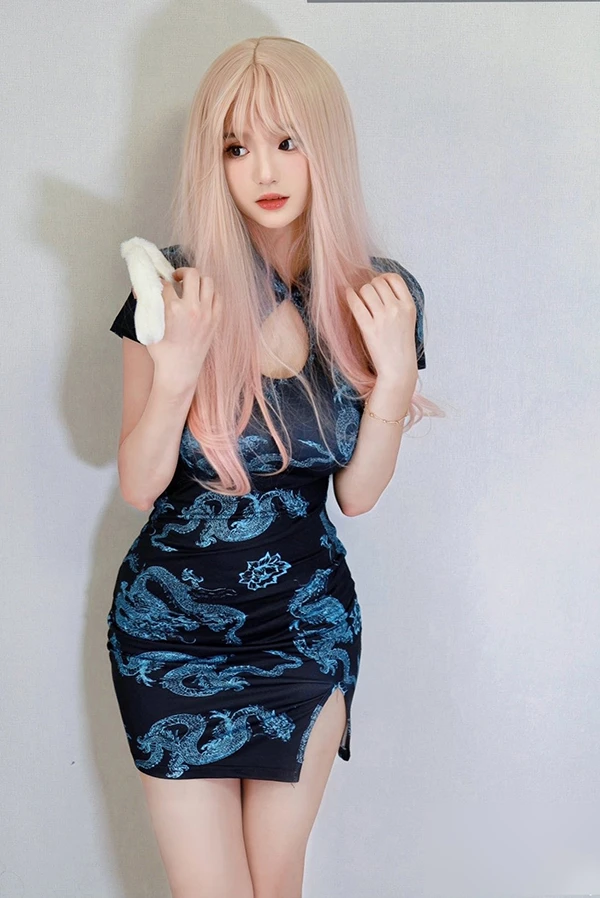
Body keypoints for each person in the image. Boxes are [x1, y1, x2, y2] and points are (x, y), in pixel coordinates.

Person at [107, 35, 443, 898]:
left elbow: (357, 495)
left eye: (287, 141)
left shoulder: (378, 297)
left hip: (303, 629)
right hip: (168, 635)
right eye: (236, 146)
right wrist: (177, 370)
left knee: (275, 878)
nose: (263, 169)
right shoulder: (173, 292)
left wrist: (394, 379)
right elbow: (139, 483)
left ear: (324, 144)